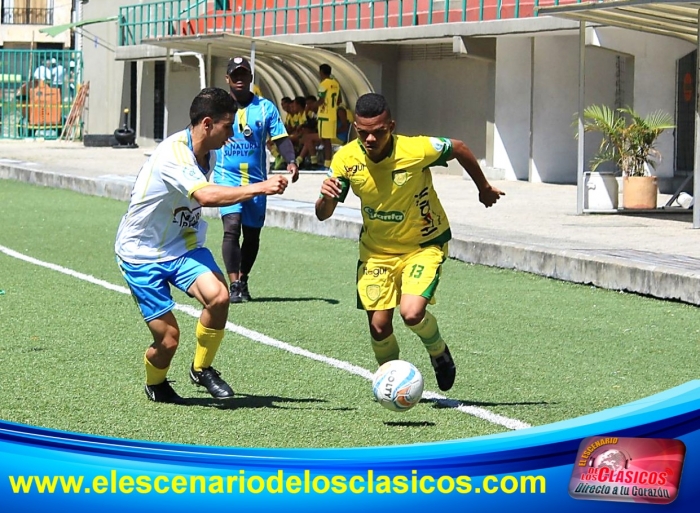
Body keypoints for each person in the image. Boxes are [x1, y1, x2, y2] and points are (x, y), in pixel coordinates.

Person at [315, 93, 505, 392]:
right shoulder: (345, 160)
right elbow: (323, 214)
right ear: (355, 128)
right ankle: (392, 384)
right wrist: (325, 197)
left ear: (391, 126)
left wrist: (483, 188)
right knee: (379, 328)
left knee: (412, 312)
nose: (370, 139)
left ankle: (438, 351)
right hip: (376, 252)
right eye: (363, 133)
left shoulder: (416, 149)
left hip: (423, 245)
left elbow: (460, 147)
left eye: (378, 132)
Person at [115, 87, 289, 404]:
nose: (232, 134)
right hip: (141, 253)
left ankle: (201, 368)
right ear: (207, 124)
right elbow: (205, 196)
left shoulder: (209, 151)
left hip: (182, 247)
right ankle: (156, 384)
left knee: (220, 297)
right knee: (168, 340)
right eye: (228, 126)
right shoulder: (174, 153)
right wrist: (261, 188)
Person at [214, 56, 299, 303]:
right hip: (225, 178)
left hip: (257, 182)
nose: (239, 79)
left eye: (244, 74)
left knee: (252, 235)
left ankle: (243, 278)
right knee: (231, 227)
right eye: (235, 75)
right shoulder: (217, 107)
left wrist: (291, 161)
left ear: (251, 78)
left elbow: (281, 138)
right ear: (227, 79)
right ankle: (233, 284)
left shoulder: (266, 108)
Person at [317, 63, 341, 170]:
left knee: (325, 140)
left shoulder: (324, 84)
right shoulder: (336, 83)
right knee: (327, 141)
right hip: (333, 115)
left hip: (324, 115)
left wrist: (312, 106)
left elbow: (321, 100)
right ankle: (326, 162)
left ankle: (327, 164)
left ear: (321, 72)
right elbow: (339, 100)